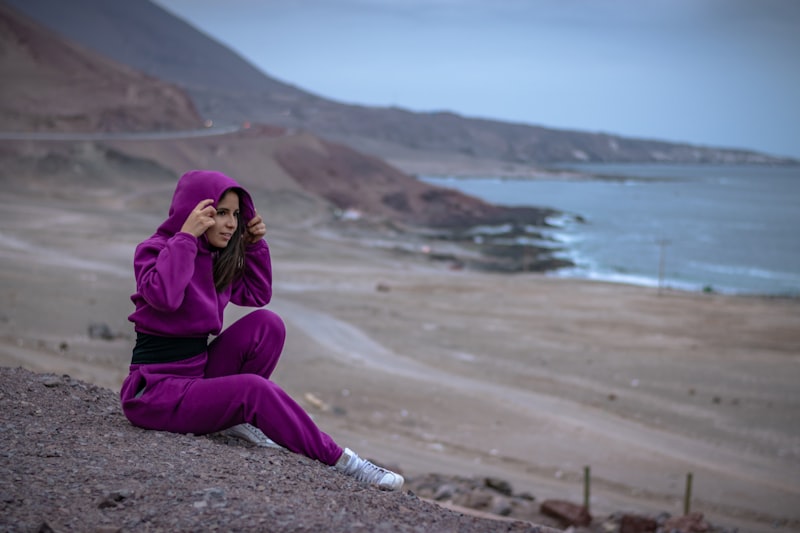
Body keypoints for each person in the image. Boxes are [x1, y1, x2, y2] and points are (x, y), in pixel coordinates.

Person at [119, 169, 403, 491]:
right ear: (194, 212)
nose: (230, 223)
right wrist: (184, 237)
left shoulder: (214, 258)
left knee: (268, 325)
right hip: (156, 392)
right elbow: (165, 297)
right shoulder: (155, 249)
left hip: (195, 377)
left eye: (236, 215)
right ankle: (346, 462)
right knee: (253, 390)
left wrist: (253, 247)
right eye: (221, 213)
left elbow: (256, 294)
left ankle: (233, 420)